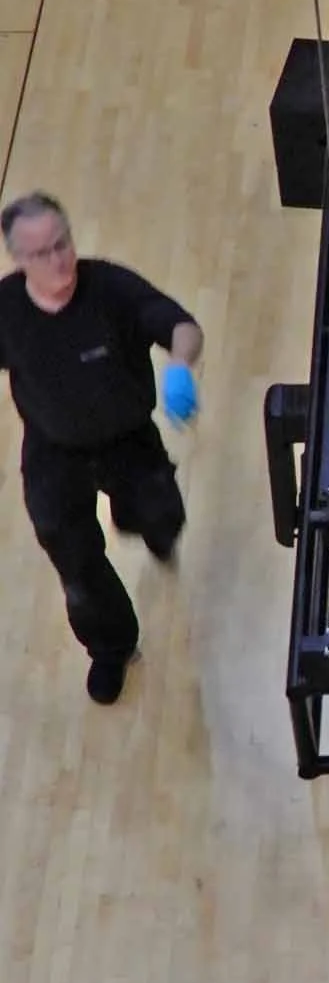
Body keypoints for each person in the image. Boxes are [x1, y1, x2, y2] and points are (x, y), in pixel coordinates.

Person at [0, 195, 203, 705]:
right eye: (42, 252)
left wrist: (179, 366)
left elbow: (181, 326)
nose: (59, 258)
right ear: (19, 260)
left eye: (63, 242)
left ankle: (149, 526)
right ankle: (111, 648)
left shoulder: (109, 288)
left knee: (161, 518)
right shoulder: (6, 312)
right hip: (54, 451)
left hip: (128, 440)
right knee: (76, 565)